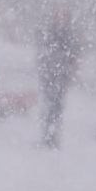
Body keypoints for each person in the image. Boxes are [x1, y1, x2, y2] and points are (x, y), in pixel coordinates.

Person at [35, 8, 81, 148]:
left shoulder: (68, 35)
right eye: (58, 16)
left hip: (61, 77)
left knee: (57, 108)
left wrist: (69, 72)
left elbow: (73, 56)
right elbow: (42, 54)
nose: (60, 19)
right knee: (50, 108)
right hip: (50, 76)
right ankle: (48, 136)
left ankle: (53, 136)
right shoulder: (50, 33)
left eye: (63, 16)